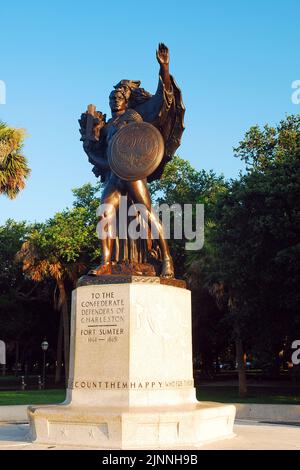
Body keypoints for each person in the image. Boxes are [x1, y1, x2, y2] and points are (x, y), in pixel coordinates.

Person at [79, 43, 185, 277]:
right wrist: (88, 142)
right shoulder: (106, 128)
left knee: (146, 214)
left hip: (134, 173)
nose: (115, 100)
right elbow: (102, 158)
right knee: (104, 212)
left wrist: (164, 68)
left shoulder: (135, 116)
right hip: (115, 176)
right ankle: (106, 262)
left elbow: (161, 102)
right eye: (112, 98)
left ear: (126, 99)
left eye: (118, 96)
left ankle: (167, 258)